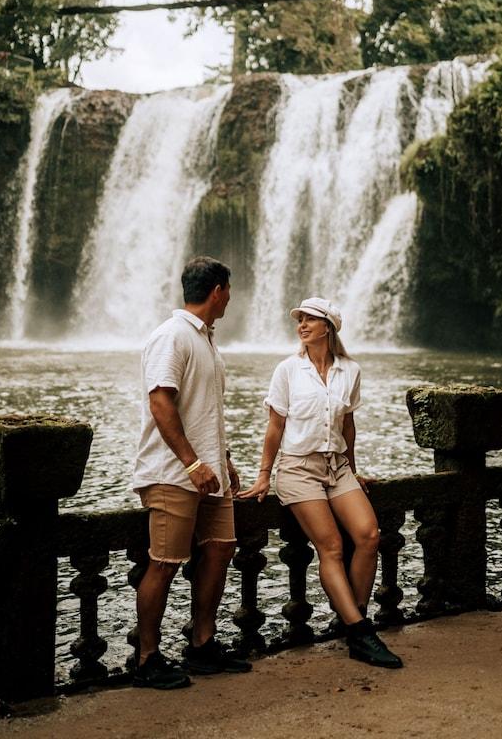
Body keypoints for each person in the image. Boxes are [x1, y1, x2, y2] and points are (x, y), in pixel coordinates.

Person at [239, 297, 402, 669]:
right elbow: (275, 426)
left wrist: (353, 468)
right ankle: (362, 634)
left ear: (327, 327)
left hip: (337, 467)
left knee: (369, 535)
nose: (302, 325)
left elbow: (347, 426)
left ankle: (353, 620)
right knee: (330, 547)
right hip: (298, 468)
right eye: (300, 320)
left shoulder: (350, 370)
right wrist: (265, 474)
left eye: (310, 319)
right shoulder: (288, 370)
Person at [131, 255, 251, 689]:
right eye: (229, 292)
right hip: (173, 473)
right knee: (162, 564)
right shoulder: (172, 336)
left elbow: (204, 411)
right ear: (217, 291)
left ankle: (202, 645)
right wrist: (193, 463)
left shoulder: (205, 340)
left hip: (209, 473)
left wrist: (225, 459)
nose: (230, 300)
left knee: (221, 549)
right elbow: (160, 403)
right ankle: (146, 659)